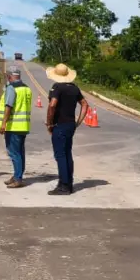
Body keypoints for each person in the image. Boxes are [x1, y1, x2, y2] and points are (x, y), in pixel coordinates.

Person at [45, 63, 88, 195]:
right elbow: (85, 104)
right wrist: (78, 122)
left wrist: (49, 123)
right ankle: (68, 182)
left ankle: (63, 185)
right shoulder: (74, 88)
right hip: (70, 124)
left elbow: (52, 105)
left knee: (60, 155)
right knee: (67, 153)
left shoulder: (57, 87)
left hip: (60, 125)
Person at [0, 65, 32, 189]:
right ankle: (17, 175)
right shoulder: (26, 89)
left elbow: (8, 106)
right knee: (20, 152)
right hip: (23, 126)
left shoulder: (12, 88)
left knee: (14, 153)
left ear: (9, 76)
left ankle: (18, 178)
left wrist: (3, 123)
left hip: (13, 126)